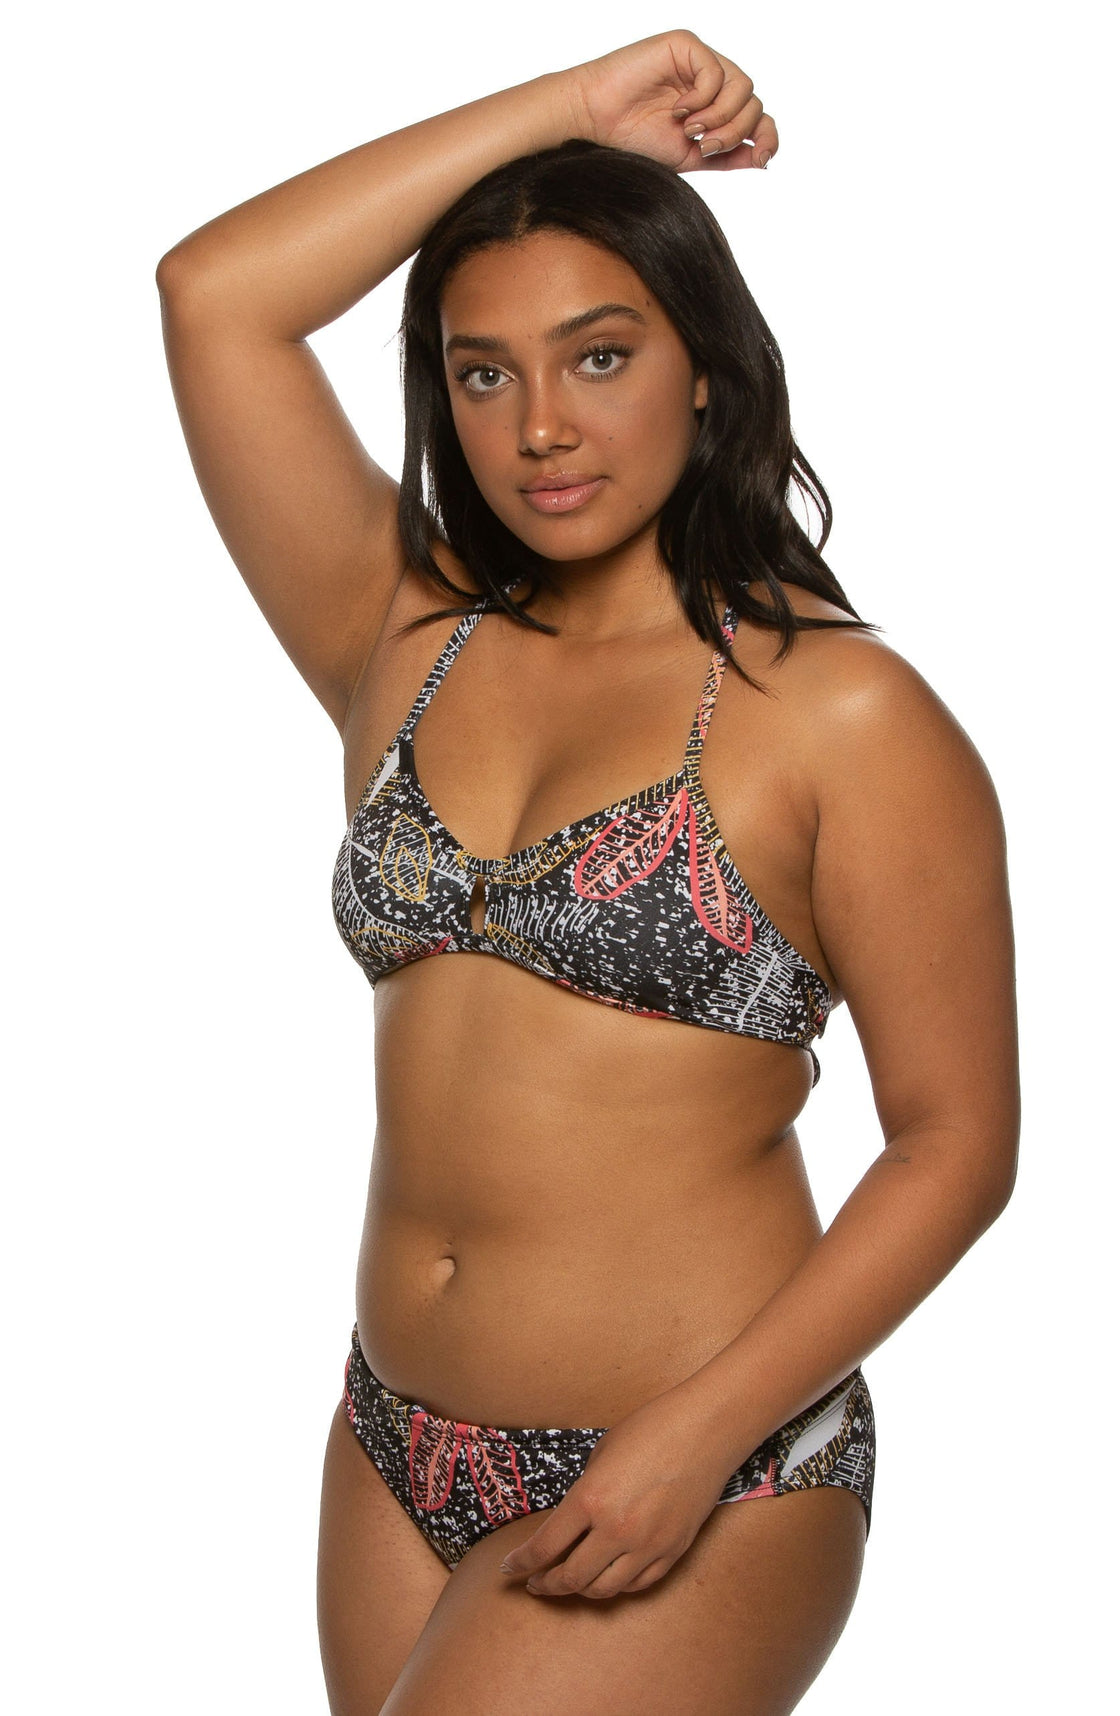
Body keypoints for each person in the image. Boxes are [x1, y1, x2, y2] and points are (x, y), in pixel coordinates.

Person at [156, 30, 1019, 1716]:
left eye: (599, 355)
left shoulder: (841, 712)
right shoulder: (403, 634)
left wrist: (695, 1439)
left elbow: (957, 1144)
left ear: (705, 366)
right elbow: (216, 296)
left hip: (708, 1450)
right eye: (482, 375)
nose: (541, 427)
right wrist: (576, 111)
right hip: (393, 1441)